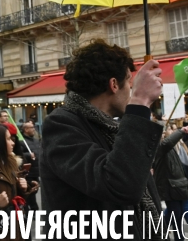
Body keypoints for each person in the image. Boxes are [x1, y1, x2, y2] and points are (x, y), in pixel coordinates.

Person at [40, 39, 164, 239]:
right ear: (114, 84)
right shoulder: (61, 124)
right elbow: (120, 185)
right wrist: (140, 101)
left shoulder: (111, 127)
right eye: (130, 85)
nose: (131, 92)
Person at [153, 125, 188, 241]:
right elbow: (166, 144)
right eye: (170, 129)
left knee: (178, 214)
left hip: (179, 185)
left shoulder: (175, 146)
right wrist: (180, 131)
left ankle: (172, 235)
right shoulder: (160, 147)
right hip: (171, 186)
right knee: (176, 213)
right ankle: (160, 233)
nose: (172, 131)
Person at [20, 121, 41, 210]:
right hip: (29, 171)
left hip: (37, 170)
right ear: (26, 129)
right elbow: (19, 155)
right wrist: (28, 155)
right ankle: (33, 209)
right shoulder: (21, 142)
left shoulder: (36, 140)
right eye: (32, 128)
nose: (34, 129)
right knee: (30, 191)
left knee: (35, 190)